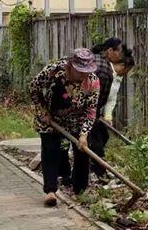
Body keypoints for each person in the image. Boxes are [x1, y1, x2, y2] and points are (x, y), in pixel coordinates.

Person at [29, 49, 100, 207]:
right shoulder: (53, 71)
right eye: (80, 71)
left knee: (82, 151)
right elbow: (33, 88)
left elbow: (91, 110)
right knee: (50, 150)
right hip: (50, 118)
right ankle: (50, 191)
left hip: (76, 120)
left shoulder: (93, 81)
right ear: (70, 66)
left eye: (87, 71)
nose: (83, 75)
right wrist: (42, 110)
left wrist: (83, 134)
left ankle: (80, 190)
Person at [86, 39, 135, 176]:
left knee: (103, 136)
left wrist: (107, 116)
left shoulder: (117, 78)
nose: (126, 73)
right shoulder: (104, 72)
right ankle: (98, 169)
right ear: (122, 65)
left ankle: (93, 164)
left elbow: (111, 98)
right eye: (127, 70)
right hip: (89, 110)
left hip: (95, 111)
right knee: (96, 140)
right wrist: (94, 114)